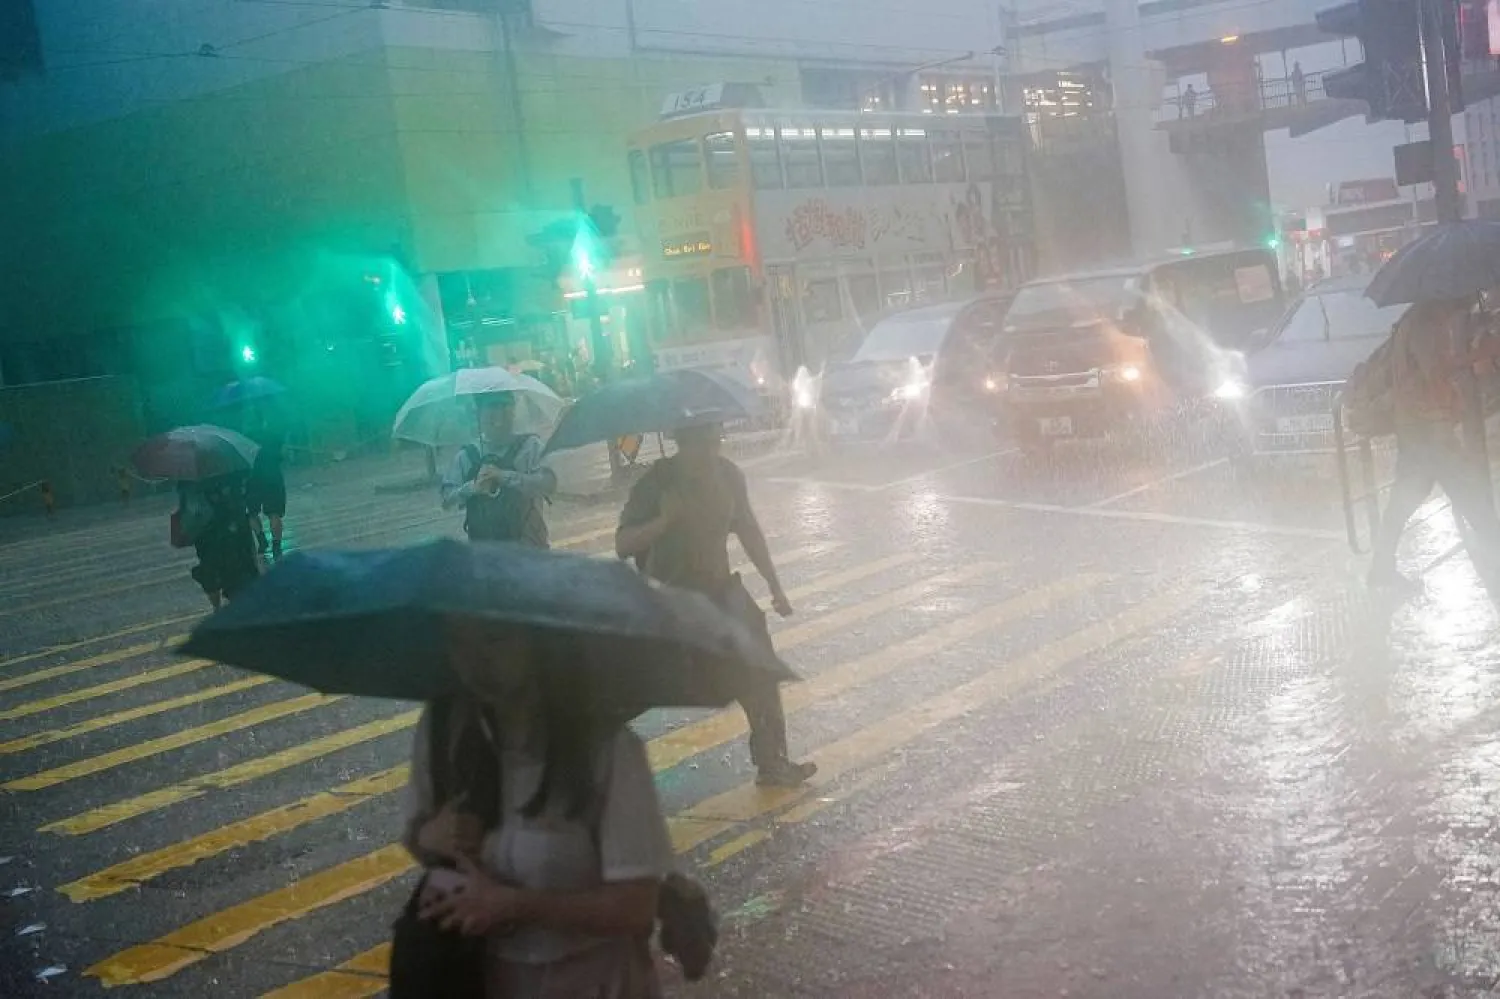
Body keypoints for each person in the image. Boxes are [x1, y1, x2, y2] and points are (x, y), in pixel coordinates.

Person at [404, 620, 672, 997]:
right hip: (478, 980)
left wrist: (514, 905)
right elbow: (416, 837)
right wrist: (430, 835)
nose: (474, 661)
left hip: (593, 982)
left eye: (495, 638)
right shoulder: (445, 727)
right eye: (457, 641)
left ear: (540, 639)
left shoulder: (606, 748)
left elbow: (635, 905)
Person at [615, 420, 816, 787]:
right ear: (680, 443)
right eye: (699, 445)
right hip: (671, 602)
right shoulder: (656, 483)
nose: (708, 454)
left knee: (760, 674)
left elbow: (749, 529)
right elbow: (623, 544)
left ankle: (773, 762)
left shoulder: (728, 475)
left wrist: (775, 585)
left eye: (714, 443)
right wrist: (664, 521)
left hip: (722, 594)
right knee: (640, 688)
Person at [1370, 299, 1500, 590]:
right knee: (1471, 496)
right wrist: (1480, 354)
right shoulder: (1425, 325)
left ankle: (1380, 568)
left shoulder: (1418, 320)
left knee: (1404, 501)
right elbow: (1434, 371)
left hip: (1419, 425)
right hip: (1428, 428)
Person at [441, 392, 557, 546]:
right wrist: (472, 488)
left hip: (530, 547)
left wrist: (505, 477)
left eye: (504, 406)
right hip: (485, 551)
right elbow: (447, 500)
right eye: (492, 408)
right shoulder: (467, 456)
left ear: (513, 411)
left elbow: (548, 485)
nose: (499, 415)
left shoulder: (530, 447)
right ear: (479, 414)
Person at [182, 474, 259, 609]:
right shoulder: (231, 475)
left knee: (214, 574)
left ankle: (218, 609)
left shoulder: (191, 483)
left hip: (211, 536)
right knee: (235, 572)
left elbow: (190, 515)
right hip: (227, 534)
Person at [246, 425, 287, 561]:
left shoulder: (244, 437)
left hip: (252, 478)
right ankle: (277, 546)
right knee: (274, 513)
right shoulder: (274, 433)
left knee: (251, 512)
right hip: (273, 477)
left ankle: (261, 539)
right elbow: (283, 455)